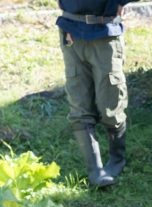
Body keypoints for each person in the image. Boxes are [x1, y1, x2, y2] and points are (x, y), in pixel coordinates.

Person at [56, 0, 137, 187]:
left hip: (104, 31)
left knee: (110, 102)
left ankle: (116, 160)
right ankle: (95, 169)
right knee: (79, 103)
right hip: (71, 29)